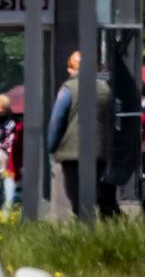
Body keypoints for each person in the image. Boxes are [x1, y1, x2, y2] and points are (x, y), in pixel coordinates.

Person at [47, 50, 118, 217]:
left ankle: (84, 232)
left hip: (73, 153)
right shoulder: (106, 90)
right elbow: (112, 120)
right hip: (99, 152)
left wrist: (51, 146)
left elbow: (57, 121)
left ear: (72, 68)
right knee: (95, 193)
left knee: (77, 199)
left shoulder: (68, 89)